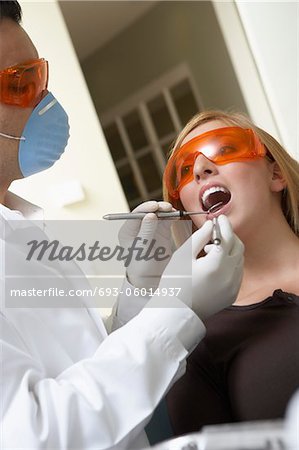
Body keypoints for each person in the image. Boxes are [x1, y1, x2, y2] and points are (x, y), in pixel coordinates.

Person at [0, 3, 244, 448]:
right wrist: (176, 310)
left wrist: (138, 288)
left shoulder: (21, 226)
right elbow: (36, 434)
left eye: (40, 76)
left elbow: (89, 365)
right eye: (21, 83)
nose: (44, 99)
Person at [164, 110, 299, 435]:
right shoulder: (197, 339)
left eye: (223, 149)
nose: (200, 169)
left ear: (276, 175)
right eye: (184, 169)